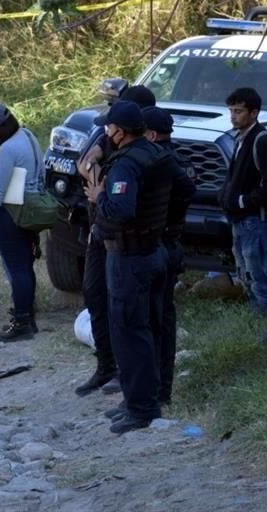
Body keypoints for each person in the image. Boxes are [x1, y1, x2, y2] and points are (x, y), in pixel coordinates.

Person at [85, 101, 177, 434]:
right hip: (154, 251)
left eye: (109, 129)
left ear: (120, 132)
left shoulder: (126, 164)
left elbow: (121, 209)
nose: (107, 134)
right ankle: (139, 400)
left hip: (130, 257)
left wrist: (98, 197)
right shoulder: (158, 154)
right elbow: (181, 190)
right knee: (149, 330)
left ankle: (142, 408)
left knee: (130, 332)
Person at [74, 85, 157, 397]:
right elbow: (84, 166)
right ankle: (106, 365)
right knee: (94, 293)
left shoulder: (139, 149)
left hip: (125, 236)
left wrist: (98, 184)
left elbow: (107, 186)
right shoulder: (107, 138)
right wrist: (96, 178)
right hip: (99, 227)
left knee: (125, 308)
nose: (108, 130)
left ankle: (127, 373)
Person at [0, 102, 43, 342]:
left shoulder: (7, 150)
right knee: (25, 265)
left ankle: (22, 320)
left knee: (17, 268)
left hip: (11, 212)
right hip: (29, 207)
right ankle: (28, 316)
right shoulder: (28, 136)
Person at [142, 106, 196, 405]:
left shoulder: (160, 162)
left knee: (154, 321)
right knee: (162, 319)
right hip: (171, 241)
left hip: (159, 243)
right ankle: (161, 389)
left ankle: (157, 391)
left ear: (150, 134)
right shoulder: (180, 160)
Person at [217, 87, 267, 316]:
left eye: (239, 111)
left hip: (256, 220)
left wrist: (243, 201)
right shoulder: (241, 138)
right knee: (247, 274)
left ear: (254, 112)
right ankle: (256, 322)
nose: (233, 116)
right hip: (242, 220)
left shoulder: (261, 140)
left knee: (260, 276)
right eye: (231, 110)